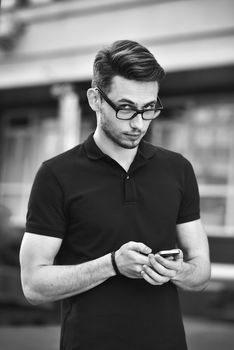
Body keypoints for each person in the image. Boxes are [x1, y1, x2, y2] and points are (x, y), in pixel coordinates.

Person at [20, 40, 211, 350]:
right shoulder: (56, 175)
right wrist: (111, 264)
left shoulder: (178, 169)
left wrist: (178, 270)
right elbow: (33, 285)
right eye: (126, 108)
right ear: (96, 99)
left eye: (149, 109)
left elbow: (201, 272)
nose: (139, 123)